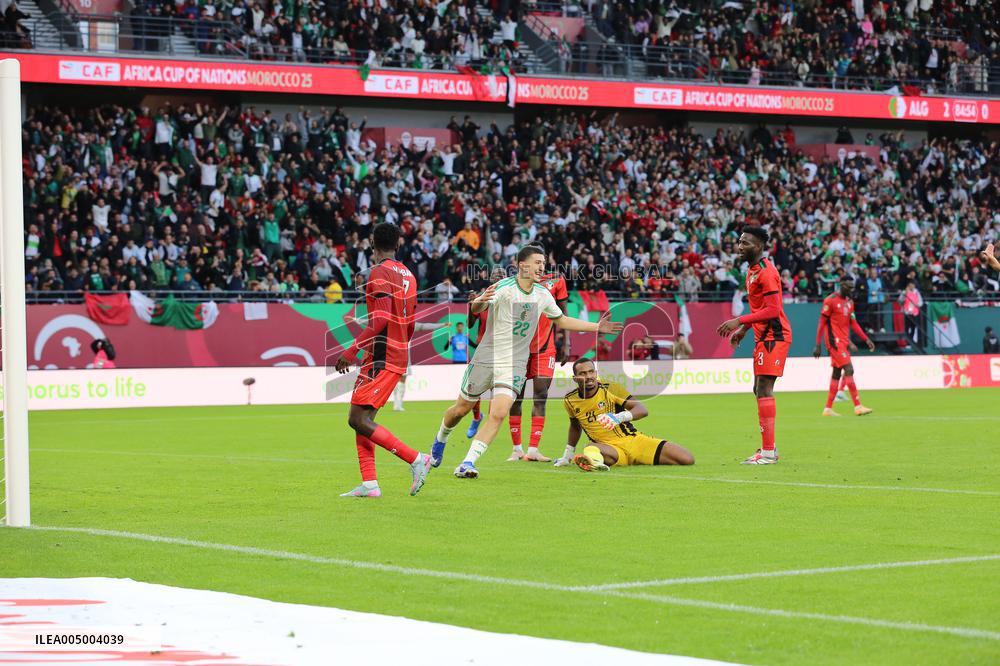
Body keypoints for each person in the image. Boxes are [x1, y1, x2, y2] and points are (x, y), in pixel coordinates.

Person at [429, 246, 624, 479]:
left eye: (544, 262)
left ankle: (467, 463)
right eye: (537, 262)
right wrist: (480, 301)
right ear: (523, 265)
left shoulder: (542, 295)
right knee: (461, 409)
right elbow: (478, 307)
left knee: (499, 413)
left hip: (514, 363)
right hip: (486, 358)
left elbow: (561, 320)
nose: (542, 267)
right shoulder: (504, 288)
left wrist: (596, 327)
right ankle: (441, 437)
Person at [335, 223, 433, 498]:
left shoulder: (379, 272)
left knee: (357, 418)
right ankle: (369, 484)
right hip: (397, 351)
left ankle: (416, 459)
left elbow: (380, 319)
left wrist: (352, 349)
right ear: (399, 244)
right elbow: (410, 322)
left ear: (371, 243)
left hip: (381, 354)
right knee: (363, 417)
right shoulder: (409, 276)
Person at [716, 227, 792, 465]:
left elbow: (772, 310)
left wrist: (739, 320)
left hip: (774, 336)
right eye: (739, 242)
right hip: (763, 336)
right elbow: (759, 309)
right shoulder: (752, 271)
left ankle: (768, 452)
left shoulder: (767, 273)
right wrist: (744, 330)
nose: (740, 246)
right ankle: (769, 448)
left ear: (759, 246)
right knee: (758, 389)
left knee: (764, 389)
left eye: (746, 243)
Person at [560, 358, 694, 471]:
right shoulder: (570, 400)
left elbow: (641, 409)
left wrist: (618, 417)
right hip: (609, 450)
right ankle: (595, 463)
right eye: (583, 374)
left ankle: (598, 461)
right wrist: (568, 454)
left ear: (596, 373)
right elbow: (575, 426)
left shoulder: (610, 388)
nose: (588, 377)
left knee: (686, 458)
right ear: (575, 378)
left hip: (634, 442)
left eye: (591, 372)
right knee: (590, 448)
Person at [509, 263, 570, 464]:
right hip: (518, 349)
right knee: (515, 397)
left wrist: (566, 343)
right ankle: (517, 449)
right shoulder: (514, 283)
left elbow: (563, 314)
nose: (539, 264)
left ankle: (533, 449)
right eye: (536, 261)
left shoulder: (557, 280)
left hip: (545, 349)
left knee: (541, 396)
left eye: (541, 261)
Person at [813, 277, 875, 417]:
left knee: (836, 373)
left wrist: (866, 339)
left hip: (843, 342)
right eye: (849, 287)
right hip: (834, 342)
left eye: (853, 287)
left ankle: (828, 409)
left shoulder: (849, 302)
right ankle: (858, 406)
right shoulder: (830, 300)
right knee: (849, 369)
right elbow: (822, 323)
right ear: (841, 286)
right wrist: (817, 344)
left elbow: (853, 323)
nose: (851, 290)